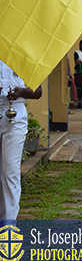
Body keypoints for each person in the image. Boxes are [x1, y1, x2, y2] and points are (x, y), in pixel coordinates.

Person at [0, 60, 42, 221]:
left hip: (15, 115)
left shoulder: (22, 54)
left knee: (10, 172)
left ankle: (9, 227)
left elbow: (38, 92)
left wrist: (22, 92)